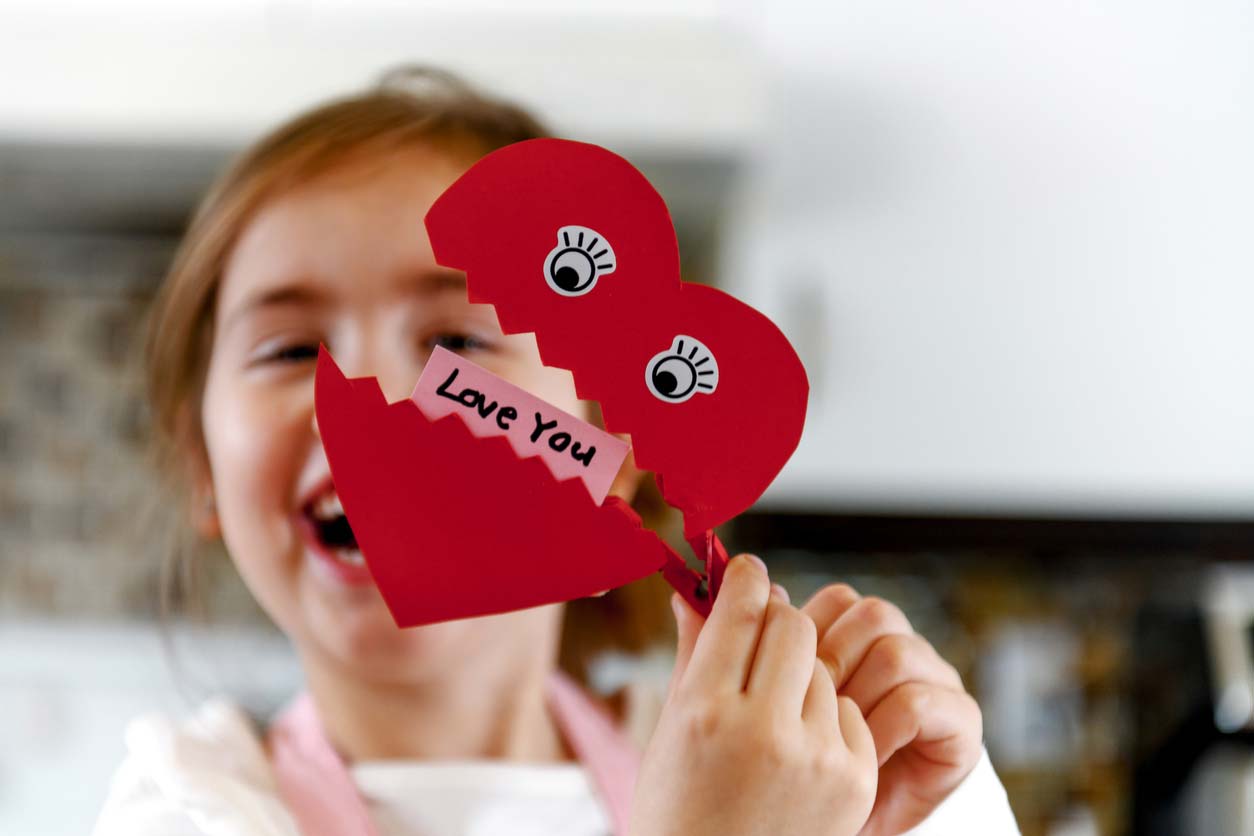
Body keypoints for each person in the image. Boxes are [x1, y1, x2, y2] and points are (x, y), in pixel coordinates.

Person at [94, 68, 1019, 836]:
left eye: (457, 343)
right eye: (291, 350)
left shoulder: (767, 767)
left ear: (612, 444)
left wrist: (935, 813)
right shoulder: (185, 808)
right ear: (202, 467)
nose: (372, 390)